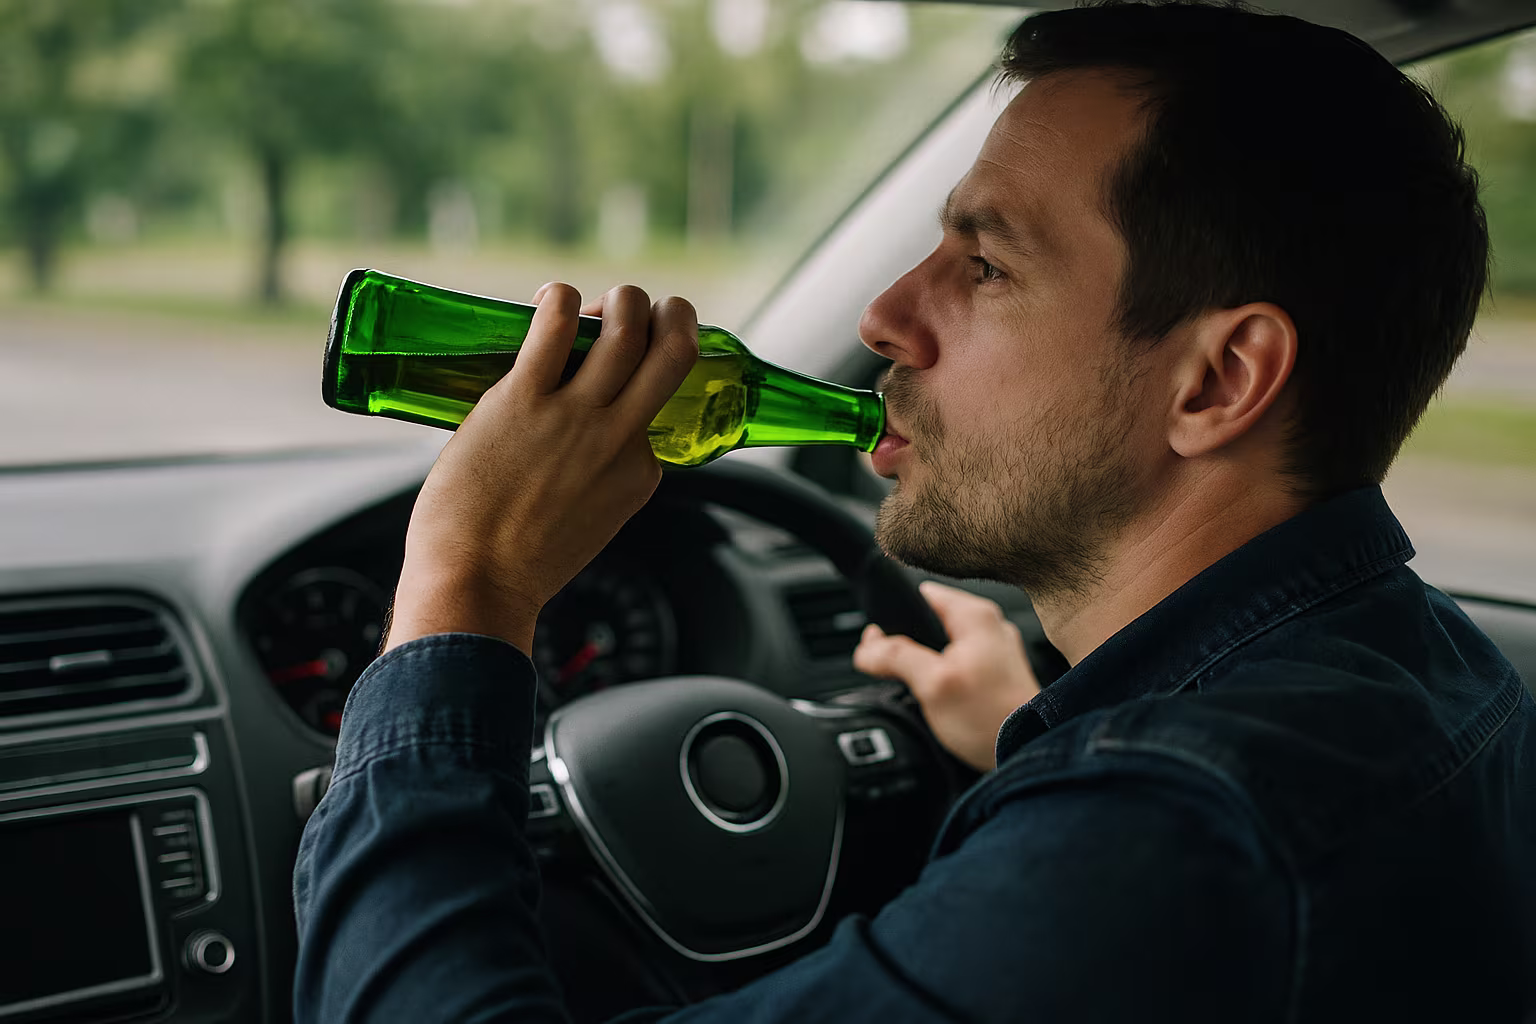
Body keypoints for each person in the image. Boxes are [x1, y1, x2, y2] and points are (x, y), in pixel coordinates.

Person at [293, 2, 1536, 1020]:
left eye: (985, 265)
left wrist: (467, 581)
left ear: (1217, 379)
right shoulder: (1440, 676)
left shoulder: (1163, 840)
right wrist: (1034, 740)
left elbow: (1174, 858)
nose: (885, 314)